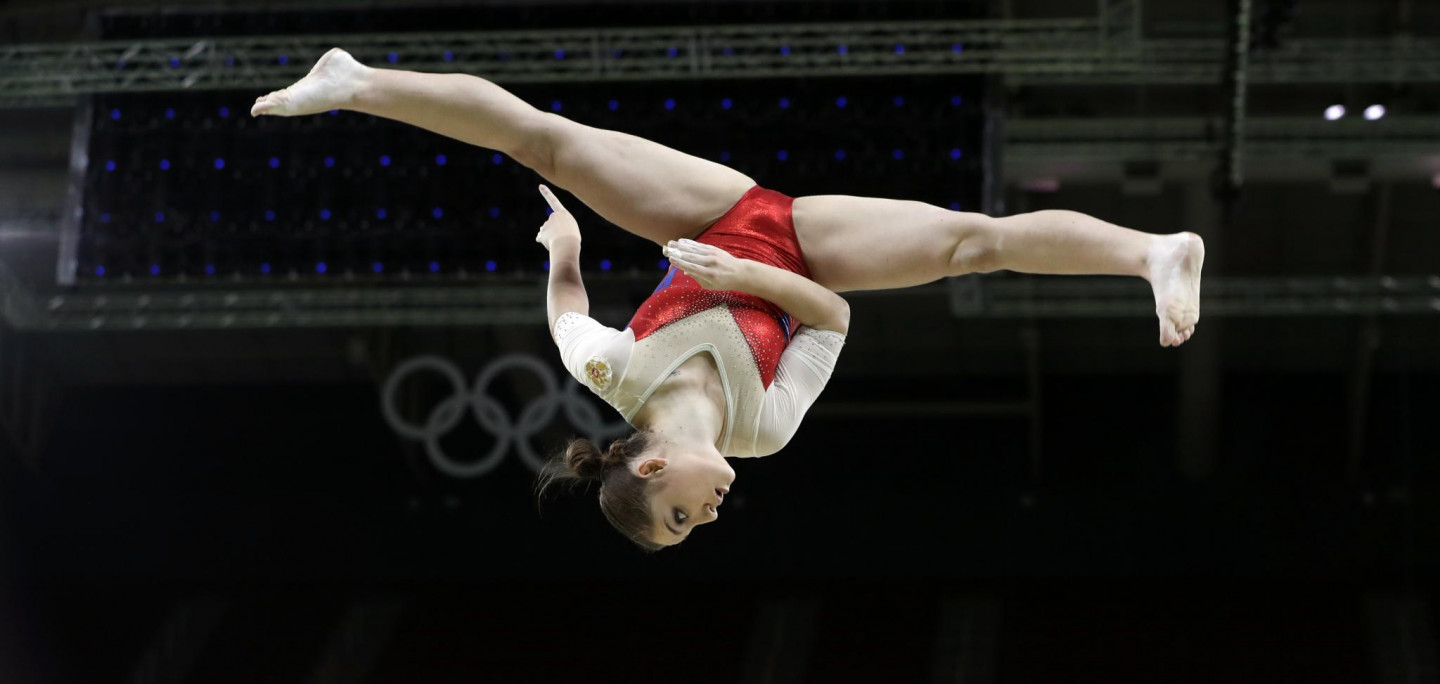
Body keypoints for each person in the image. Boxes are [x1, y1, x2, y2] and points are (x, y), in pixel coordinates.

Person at [252, 49, 1204, 550]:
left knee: (548, 143)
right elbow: (833, 316)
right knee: (973, 244)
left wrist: (566, 250)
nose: (708, 518)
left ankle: (357, 83)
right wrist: (748, 280)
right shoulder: (762, 432)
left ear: (651, 468)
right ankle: (1152, 253)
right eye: (696, 529)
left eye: (680, 518)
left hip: (712, 211)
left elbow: (565, 316)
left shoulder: (617, 373)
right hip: (805, 257)